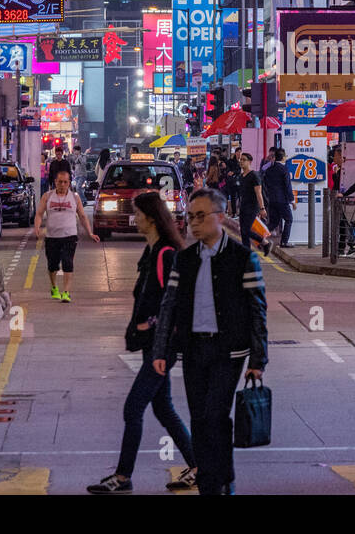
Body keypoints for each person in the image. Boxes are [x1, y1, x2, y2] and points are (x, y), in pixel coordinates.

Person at [152, 189, 267, 495]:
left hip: (229, 351)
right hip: (193, 350)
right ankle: (212, 482)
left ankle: (218, 482)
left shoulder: (243, 258)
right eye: (190, 217)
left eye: (200, 216)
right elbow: (170, 305)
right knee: (199, 420)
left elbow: (258, 310)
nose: (193, 223)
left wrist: (258, 360)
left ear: (219, 217)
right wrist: (161, 349)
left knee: (216, 416)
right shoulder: (184, 259)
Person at [88, 191, 197, 494]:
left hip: (162, 347)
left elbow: (174, 303)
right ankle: (198, 465)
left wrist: (150, 324)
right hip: (153, 344)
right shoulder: (151, 252)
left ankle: (123, 477)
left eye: (137, 213)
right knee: (163, 409)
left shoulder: (166, 254)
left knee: (132, 408)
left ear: (150, 217)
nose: (134, 218)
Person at [34, 168, 100, 303]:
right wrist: (37, 228)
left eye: (65, 182)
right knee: (52, 265)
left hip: (70, 236)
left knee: (67, 263)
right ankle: (54, 287)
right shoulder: (47, 196)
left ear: (69, 183)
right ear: (55, 182)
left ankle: (66, 292)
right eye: (60, 182)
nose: (62, 185)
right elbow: (39, 214)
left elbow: (82, 216)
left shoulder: (75, 198)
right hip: (52, 237)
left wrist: (90, 232)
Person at [261, 147, 296, 248]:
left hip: (272, 200)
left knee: (273, 222)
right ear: (283, 158)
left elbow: (265, 185)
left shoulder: (269, 170)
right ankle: (284, 242)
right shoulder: (284, 169)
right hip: (282, 200)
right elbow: (287, 186)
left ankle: (259, 237)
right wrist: (292, 200)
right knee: (289, 219)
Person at [236, 152, 268, 253]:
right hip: (243, 206)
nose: (241, 162)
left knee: (246, 230)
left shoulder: (254, 175)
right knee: (243, 232)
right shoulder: (241, 176)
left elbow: (259, 193)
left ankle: (264, 242)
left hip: (252, 207)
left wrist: (262, 208)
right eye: (240, 159)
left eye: (244, 160)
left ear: (250, 162)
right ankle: (247, 256)